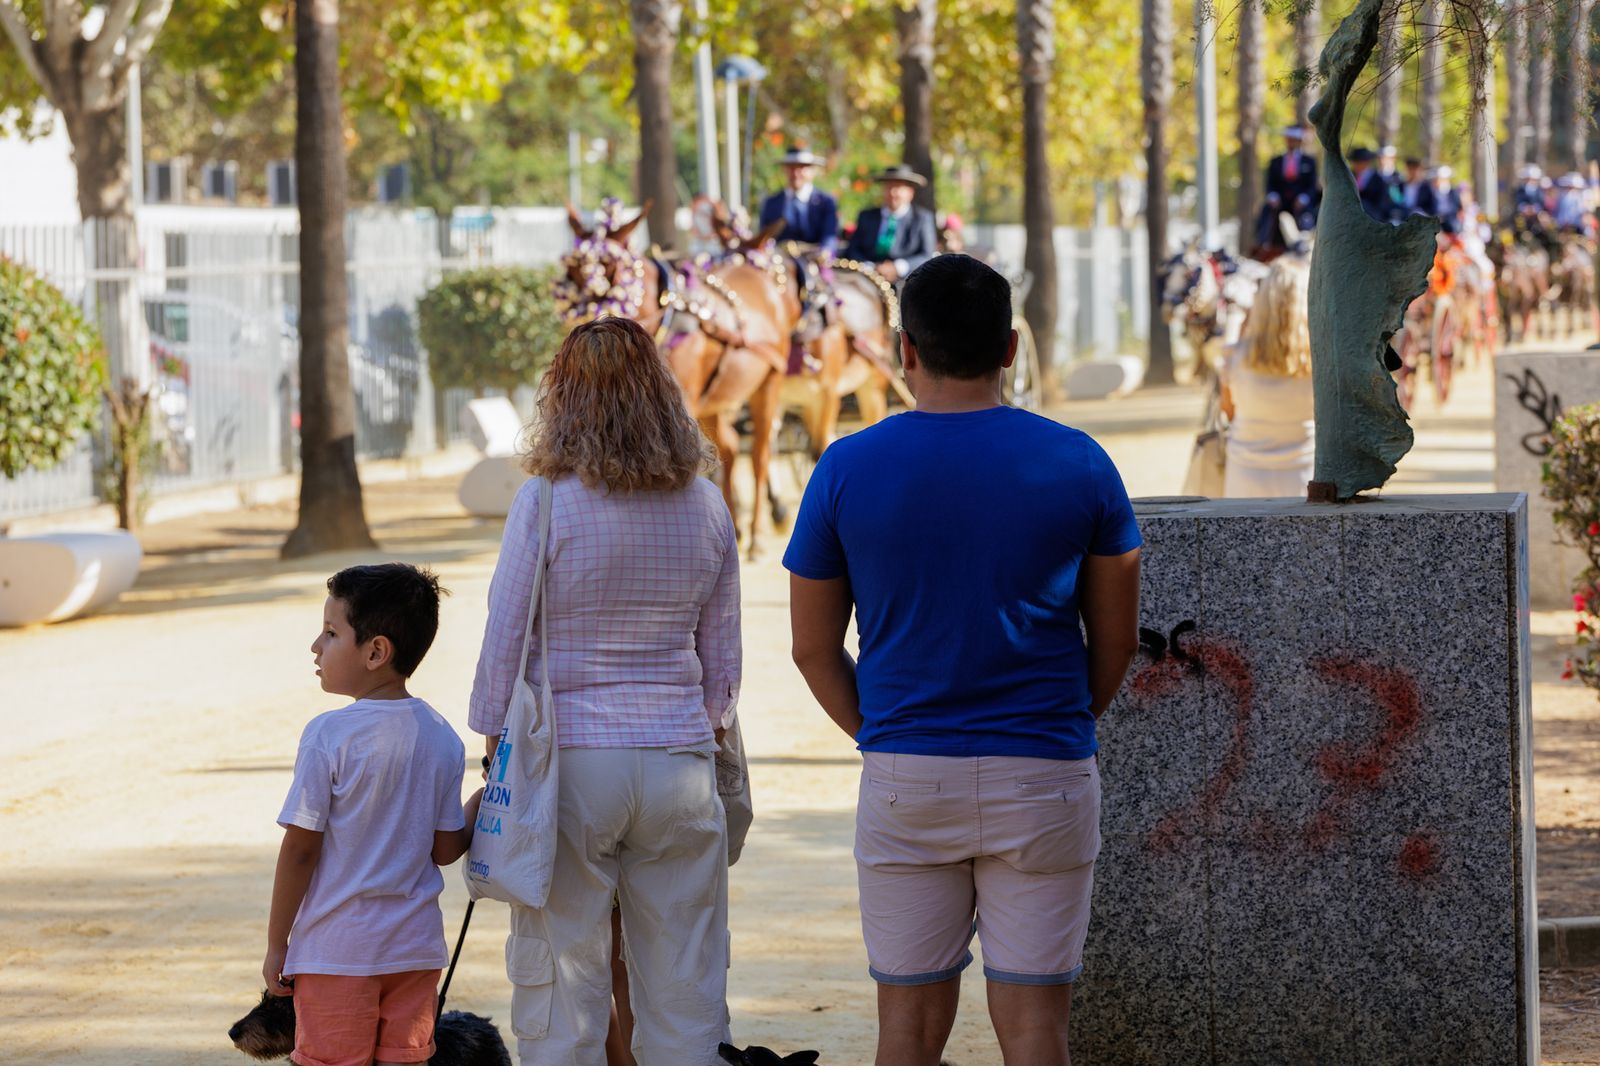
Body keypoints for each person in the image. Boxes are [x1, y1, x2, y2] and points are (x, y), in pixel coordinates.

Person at [784, 253, 1143, 1066]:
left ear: (905, 349)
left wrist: (880, 732)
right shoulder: (1080, 461)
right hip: (1045, 767)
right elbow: (1116, 638)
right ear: (1011, 347)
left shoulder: (844, 467)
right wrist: (1063, 721)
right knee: (1036, 1033)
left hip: (908, 769)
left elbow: (812, 648)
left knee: (905, 1035)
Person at [469, 316, 740, 1066]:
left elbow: (505, 634)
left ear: (563, 397)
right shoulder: (706, 503)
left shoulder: (546, 501)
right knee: (688, 990)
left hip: (572, 768)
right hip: (680, 760)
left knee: (565, 991)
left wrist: (493, 741)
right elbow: (723, 669)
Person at [263, 563, 480, 1066]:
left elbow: (299, 850)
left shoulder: (329, 735)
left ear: (376, 652)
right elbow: (446, 850)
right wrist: (480, 801)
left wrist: (278, 945)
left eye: (331, 632)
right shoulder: (442, 736)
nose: (315, 646)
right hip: (415, 953)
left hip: (336, 954)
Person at [1219, 255, 1315, 498]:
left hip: (1245, 475)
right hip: (1305, 476)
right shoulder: (1320, 362)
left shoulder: (1235, 357)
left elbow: (1228, 411)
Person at [843, 164, 940, 281]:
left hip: (908, 280)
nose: (893, 193)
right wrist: (870, 267)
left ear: (910, 192)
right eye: (889, 187)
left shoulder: (922, 219)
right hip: (868, 278)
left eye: (898, 187)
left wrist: (897, 267)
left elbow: (927, 254)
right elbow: (853, 249)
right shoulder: (867, 216)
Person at [758, 146, 840, 255]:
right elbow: (764, 237)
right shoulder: (772, 202)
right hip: (779, 262)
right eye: (791, 167)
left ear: (812, 171)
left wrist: (825, 252)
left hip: (814, 260)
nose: (796, 173)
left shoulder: (825, 202)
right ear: (785, 169)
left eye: (801, 167)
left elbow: (829, 236)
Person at [1256, 125, 1321, 250]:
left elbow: (1312, 185)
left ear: (1299, 141)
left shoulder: (1309, 161)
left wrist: (1303, 198)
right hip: (1280, 200)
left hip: (1301, 201)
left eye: (1294, 139)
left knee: (1307, 214)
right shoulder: (1276, 161)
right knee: (1266, 211)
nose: (1291, 142)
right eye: (1289, 139)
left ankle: (1306, 243)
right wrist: (1273, 196)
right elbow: (1270, 184)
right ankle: (1263, 244)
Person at [1349, 146, 1401, 224]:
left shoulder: (1378, 180)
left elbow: (1383, 204)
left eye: (1359, 161)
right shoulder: (1348, 177)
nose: (1356, 165)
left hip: (1372, 219)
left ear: (1366, 162)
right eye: (1355, 161)